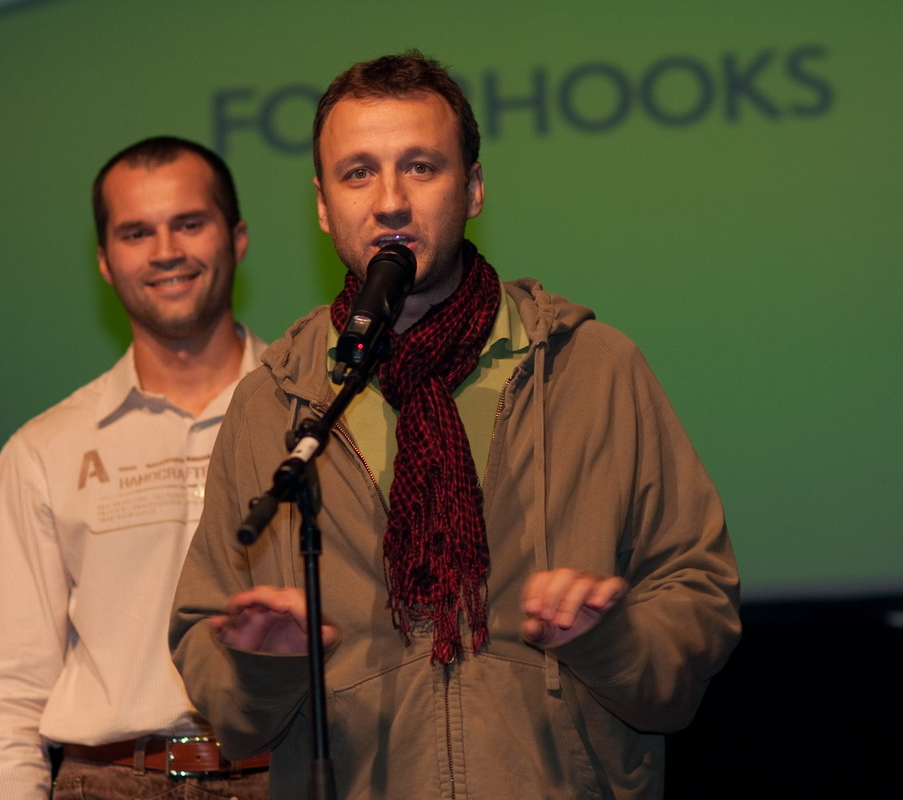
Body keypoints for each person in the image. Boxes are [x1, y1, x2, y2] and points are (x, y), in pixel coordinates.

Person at [170, 52, 740, 799]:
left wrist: (609, 640)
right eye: (357, 173)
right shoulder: (278, 402)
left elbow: (698, 597)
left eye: (420, 167)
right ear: (322, 206)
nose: (390, 202)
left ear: (472, 188)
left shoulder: (590, 367)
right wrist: (263, 664)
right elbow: (216, 675)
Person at [0, 137, 270, 799]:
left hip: (288, 776)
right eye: (136, 233)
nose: (165, 251)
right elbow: (2, 693)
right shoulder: (45, 449)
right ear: (104, 261)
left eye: (189, 223)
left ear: (237, 238)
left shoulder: (313, 419)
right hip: (109, 782)